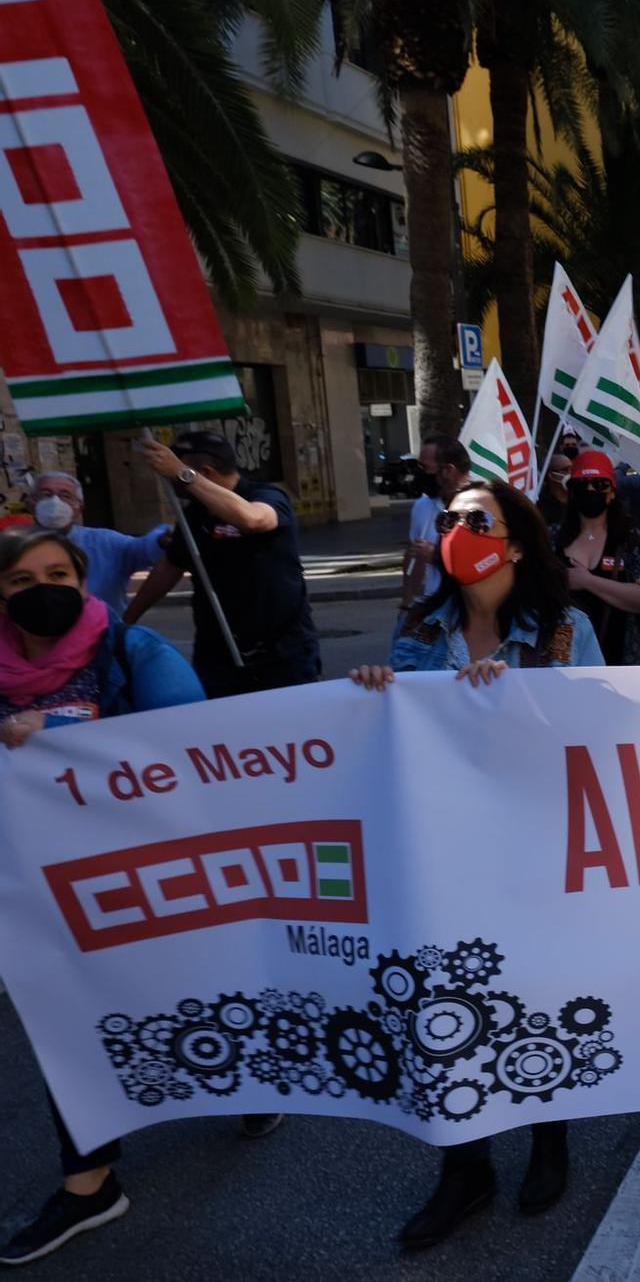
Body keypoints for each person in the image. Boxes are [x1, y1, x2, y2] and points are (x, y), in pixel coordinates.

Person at [0, 528, 265, 1268]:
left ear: (84, 583)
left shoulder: (132, 653)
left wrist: (51, 735)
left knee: (193, 989)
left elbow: (185, 747)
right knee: (66, 1013)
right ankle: (89, 1185)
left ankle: (245, 1076)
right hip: (43, 883)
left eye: (57, 573)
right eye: (21, 581)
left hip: (153, 869)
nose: (41, 588)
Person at [348, 479, 600, 1251]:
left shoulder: (563, 629)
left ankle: (548, 1140)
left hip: (535, 849)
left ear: (515, 542)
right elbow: (401, 740)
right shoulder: (421, 630)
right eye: (450, 518)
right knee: (447, 1004)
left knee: (537, 997)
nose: (456, 528)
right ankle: (465, 1168)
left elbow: (594, 731)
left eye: (475, 519)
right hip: (445, 851)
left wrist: (520, 699)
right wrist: (377, 697)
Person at [126, 431, 319, 697]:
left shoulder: (267, 496)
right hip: (218, 653)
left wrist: (182, 472)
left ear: (204, 472)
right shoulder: (194, 515)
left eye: (174, 479)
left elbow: (253, 519)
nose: (173, 486)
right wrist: (127, 619)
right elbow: (170, 567)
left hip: (281, 652)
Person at [556, 450, 640, 665]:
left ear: (612, 492)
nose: (590, 490)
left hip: (623, 664)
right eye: (581, 484)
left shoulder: (630, 539)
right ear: (571, 492)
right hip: (566, 662)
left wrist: (588, 581)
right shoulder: (553, 539)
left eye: (599, 484)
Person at [24, 471, 169, 610]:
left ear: (79, 508)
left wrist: (161, 539)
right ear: (30, 505)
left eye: (65, 496)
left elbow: (140, 549)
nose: (55, 502)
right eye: (46, 495)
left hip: (101, 632)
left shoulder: (105, 542)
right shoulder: (15, 546)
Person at [401, 436, 472, 616]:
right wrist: (407, 603)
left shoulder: (480, 507)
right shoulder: (422, 506)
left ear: (448, 470)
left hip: (467, 612)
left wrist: (437, 555)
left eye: (425, 468)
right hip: (432, 609)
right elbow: (413, 557)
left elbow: (482, 561)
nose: (420, 474)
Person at [537, 452, 572, 532]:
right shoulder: (541, 507)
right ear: (552, 475)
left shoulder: (580, 501)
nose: (571, 473)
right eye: (565, 470)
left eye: (573, 469)